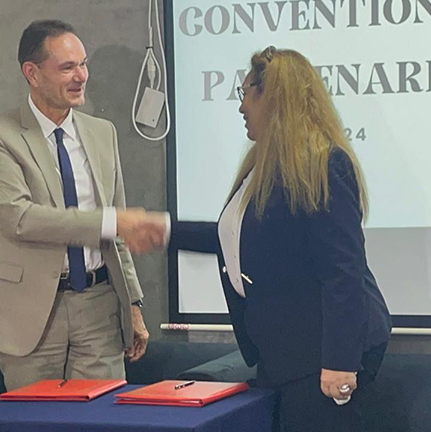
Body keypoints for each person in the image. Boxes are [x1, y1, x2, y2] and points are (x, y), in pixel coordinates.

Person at [146, 47, 392, 431]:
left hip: (321, 357)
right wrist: (164, 230)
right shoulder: (261, 166)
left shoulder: (324, 165)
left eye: (246, 92)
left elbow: (344, 272)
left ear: (272, 98)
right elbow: (239, 242)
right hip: (285, 354)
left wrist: (340, 363)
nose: (241, 106)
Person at [0, 19, 155, 391]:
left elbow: (117, 232)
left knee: (102, 421)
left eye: (83, 64)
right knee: (37, 422)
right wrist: (109, 222)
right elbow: (19, 218)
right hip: (32, 311)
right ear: (32, 73)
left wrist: (133, 305)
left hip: (99, 307)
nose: (81, 76)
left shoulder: (103, 133)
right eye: (67, 67)